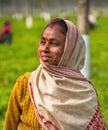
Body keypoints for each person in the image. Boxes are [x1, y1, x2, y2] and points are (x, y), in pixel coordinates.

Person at [3, 18, 106, 130]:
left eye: (53, 43)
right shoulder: (25, 84)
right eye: (43, 42)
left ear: (70, 50)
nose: (45, 49)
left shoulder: (85, 94)